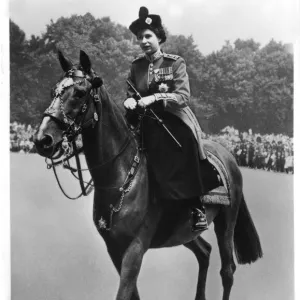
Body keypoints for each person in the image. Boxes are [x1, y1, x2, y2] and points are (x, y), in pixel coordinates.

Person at [124, 7, 222, 232]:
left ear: (159, 37)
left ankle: (196, 206)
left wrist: (156, 97)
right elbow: (131, 93)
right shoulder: (136, 65)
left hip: (172, 116)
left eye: (148, 36)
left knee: (184, 142)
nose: (143, 41)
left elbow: (182, 97)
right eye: (140, 38)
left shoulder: (174, 63)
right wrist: (128, 101)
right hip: (142, 119)